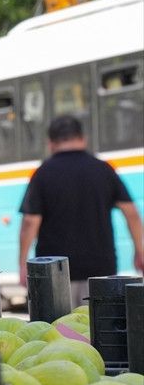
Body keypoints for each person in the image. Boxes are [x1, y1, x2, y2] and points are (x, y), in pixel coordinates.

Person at [18, 115, 144, 307]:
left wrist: (22, 264)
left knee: (61, 332)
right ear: (83, 138)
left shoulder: (43, 173)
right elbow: (131, 213)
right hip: (100, 272)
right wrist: (140, 251)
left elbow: (30, 222)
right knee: (99, 330)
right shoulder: (103, 169)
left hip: (55, 274)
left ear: (50, 143)